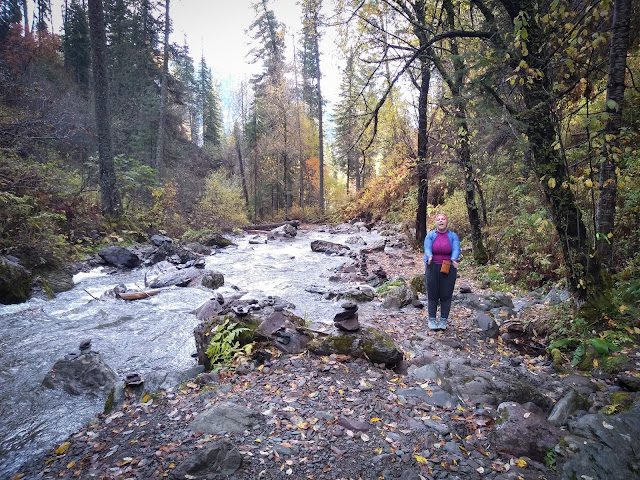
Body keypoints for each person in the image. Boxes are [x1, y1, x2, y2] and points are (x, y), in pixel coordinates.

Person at [423, 213, 460, 330]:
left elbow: (456, 248)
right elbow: (427, 248)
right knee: (432, 294)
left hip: (448, 267)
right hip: (432, 266)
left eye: (443, 219)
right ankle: (432, 320)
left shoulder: (453, 236)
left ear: (446, 221)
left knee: (446, 295)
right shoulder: (430, 235)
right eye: (438, 219)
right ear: (435, 223)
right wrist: (429, 256)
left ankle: (443, 321)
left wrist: (454, 258)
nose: (440, 221)